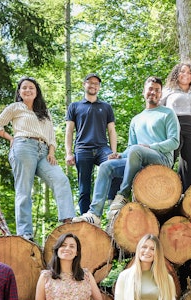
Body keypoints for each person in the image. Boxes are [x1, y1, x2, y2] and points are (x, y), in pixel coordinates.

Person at [73, 77, 180, 226]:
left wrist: (150, 147)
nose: (153, 92)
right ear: (144, 91)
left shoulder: (168, 113)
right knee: (106, 166)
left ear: (161, 94)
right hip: (138, 161)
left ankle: (123, 195)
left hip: (161, 160)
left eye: (157, 90)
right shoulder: (136, 119)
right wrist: (120, 155)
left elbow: (174, 142)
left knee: (137, 150)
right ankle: (94, 214)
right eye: (150, 89)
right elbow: (131, 147)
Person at [0, 76, 75, 240]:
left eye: (31, 88)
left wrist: (51, 152)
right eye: (24, 88)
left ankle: (67, 222)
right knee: (24, 190)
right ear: (19, 92)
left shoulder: (44, 112)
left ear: (36, 92)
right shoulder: (15, 107)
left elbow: (51, 136)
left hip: (44, 151)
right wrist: (11, 138)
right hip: (23, 147)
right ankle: (25, 233)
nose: (27, 90)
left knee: (61, 179)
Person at [65, 73, 121, 214]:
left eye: (96, 83)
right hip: (83, 149)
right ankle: (86, 218)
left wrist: (113, 152)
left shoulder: (106, 107)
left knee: (116, 166)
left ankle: (113, 208)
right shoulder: (74, 106)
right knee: (84, 188)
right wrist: (69, 153)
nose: (93, 85)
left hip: (102, 148)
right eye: (90, 82)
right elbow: (69, 131)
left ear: (99, 87)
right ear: (84, 84)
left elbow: (111, 131)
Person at [161, 62, 191, 191]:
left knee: (190, 165)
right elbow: (157, 108)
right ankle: (162, 190)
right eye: (182, 71)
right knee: (168, 160)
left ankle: (184, 194)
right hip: (174, 127)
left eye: (189, 72)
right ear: (176, 74)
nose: (185, 74)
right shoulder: (168, 91)